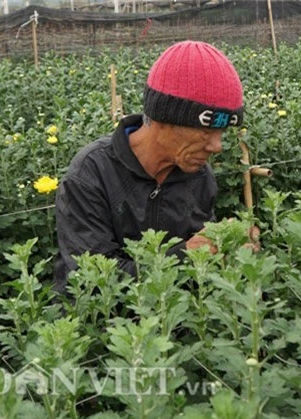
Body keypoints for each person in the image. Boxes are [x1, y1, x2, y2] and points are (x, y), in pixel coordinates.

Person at [54, 40, 252, 291]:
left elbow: (199, 276)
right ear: (163, 119)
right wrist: (185, 256)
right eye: (206, 131)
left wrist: (228, 251)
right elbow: (93, 280)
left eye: (221, 133)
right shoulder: (91, 174)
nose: (217, 146)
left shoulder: (199, 176)